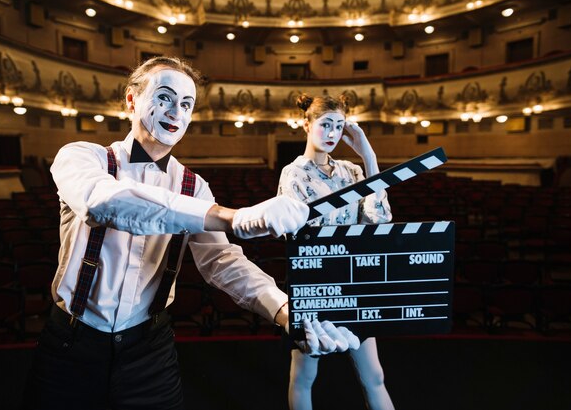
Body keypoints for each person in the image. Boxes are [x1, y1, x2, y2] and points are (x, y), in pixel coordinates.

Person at [22, 57, 358, 410]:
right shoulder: (81, 157)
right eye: (165, 97)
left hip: (149, 348)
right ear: (132, 100)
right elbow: (104, 201)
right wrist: (231, 217)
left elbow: (222, 262)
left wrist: (286, 311)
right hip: (70, 344)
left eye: (187, 104)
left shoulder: (194, 187)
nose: (176, 112)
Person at [278, 93, 396, 410]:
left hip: (354, 285)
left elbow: (378, 220)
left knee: (375, 376)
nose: (332, 133)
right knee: (305, 375)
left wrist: (368, 156)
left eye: (339, 127)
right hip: (314, 285)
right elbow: (301, 236)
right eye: (325, 124)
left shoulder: (352, 171)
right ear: (306, 124)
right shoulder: (294, 174)